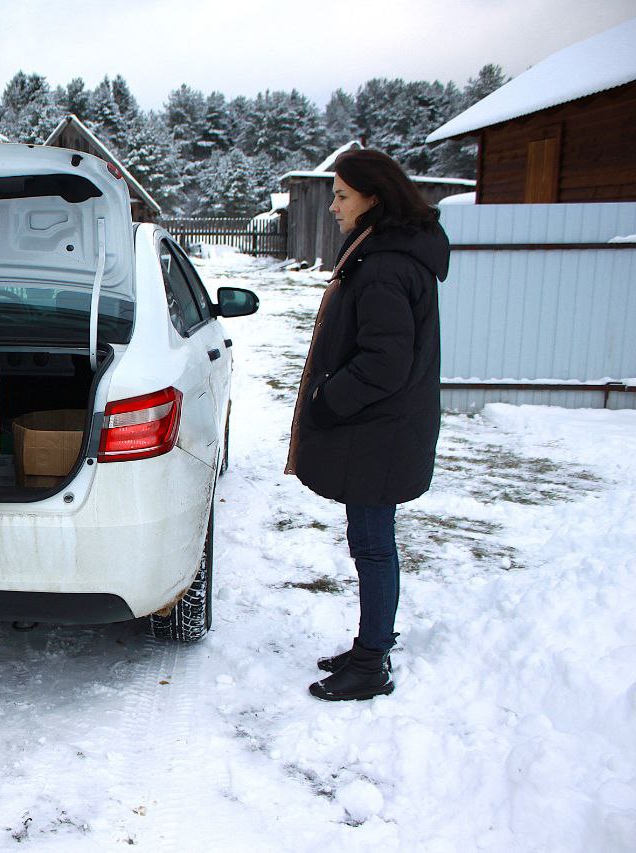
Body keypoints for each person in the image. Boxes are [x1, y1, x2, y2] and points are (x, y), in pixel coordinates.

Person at [286, 149, 450, 702]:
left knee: (374, 546)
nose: (332, 206)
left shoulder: (383, 264)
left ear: (372, 199)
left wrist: (328, 403)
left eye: (340, 195)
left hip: (380, 431)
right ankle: (371, 643)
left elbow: (384, 362)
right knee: (373, 542)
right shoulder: (390, 253)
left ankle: (372, 663)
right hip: (387, 428)